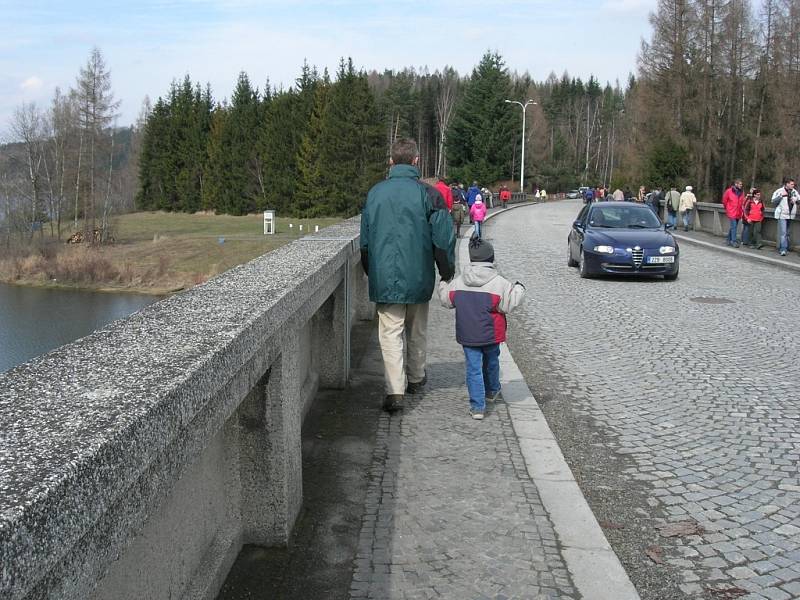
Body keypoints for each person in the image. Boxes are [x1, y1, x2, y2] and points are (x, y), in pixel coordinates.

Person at [360, 138, 456, 413]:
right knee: (417, 329)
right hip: (419, 276)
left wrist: (372, 272)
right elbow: (443, 240)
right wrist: (447, 272)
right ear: (416, 161)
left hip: (385, 276)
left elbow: (365, 242)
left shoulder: (375, 193)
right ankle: (415, 377)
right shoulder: (430, 194)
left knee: (390, 333)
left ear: (391, 162)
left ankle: (395, 391)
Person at [438, 238, 526, 420]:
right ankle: (492, 391)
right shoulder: (499, 283)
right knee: (492, 362)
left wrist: (443, 284)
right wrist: (519, 288)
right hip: (491, 334)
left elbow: (446, 300)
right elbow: (509, 304)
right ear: (491, 259)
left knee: (473, 369)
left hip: (468, 334)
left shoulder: (460, 281)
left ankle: (477, 407)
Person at [771, 177, 799, 256]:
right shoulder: (779, 191)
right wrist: (781, 196)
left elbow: (799, 201)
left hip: (790, 215)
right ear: (787, 184)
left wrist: (796, 200)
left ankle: (785, 246)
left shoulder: (794, 192)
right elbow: (773, 201)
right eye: (791, 184)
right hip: (782, 215)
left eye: (793, 184)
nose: (793, 185)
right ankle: (783, 249)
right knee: (783, 233)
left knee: (787, 232)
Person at [722, 178, 745, 247]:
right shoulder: (729, 191)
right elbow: (724, 201)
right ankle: (733, 241)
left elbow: (742, 202)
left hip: (738, 212)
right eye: (740, 184)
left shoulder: (742, 192)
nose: (741, 185)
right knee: (734, 226)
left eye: (741, 184)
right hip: (731, 211)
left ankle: (728, 240)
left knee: (733, 227)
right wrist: (728, 208)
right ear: (736, 184)